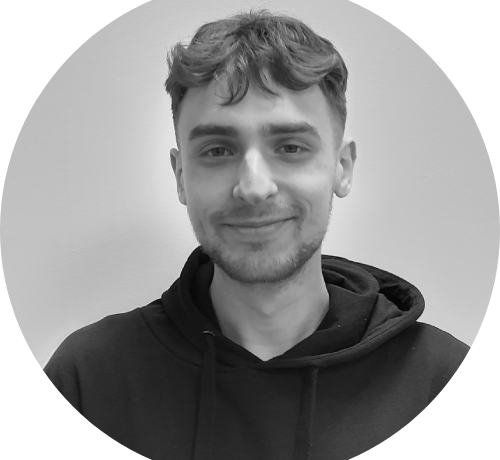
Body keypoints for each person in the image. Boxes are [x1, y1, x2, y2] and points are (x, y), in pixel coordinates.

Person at [43, 9, 469, 460]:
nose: (253, 187)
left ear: (341, 168)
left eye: (290, 147)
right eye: (217, 150)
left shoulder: (437, 379)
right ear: (181, 176)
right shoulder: (88, 379)